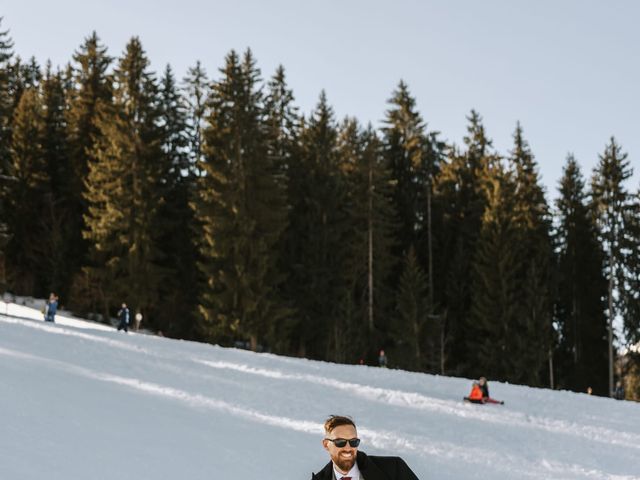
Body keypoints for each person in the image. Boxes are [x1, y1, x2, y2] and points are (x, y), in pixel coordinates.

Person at [311, 415, 419, 480]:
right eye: (340, 442)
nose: (348, 448)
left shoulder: (394, 469)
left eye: (353, 442)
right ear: (326, 444)